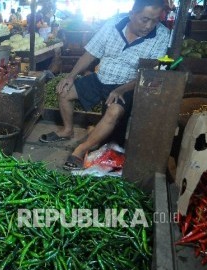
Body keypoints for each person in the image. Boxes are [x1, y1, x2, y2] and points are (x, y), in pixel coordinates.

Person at [39, 0, 170, 170]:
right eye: (145, 19)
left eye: (155, 20)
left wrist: (121, 89)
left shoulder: (161, 35)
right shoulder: (113, 24)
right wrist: (71, 76)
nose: (149, 26)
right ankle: (67, 130)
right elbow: (91, 53)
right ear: (132, 14)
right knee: (64, 90)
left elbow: (151, 72)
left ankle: (80, 149)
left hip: (129, 85)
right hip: (101, 78)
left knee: (114, 111)